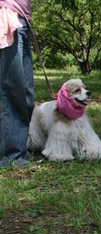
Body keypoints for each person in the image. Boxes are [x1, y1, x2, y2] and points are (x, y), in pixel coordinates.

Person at [0, 0, 34, 168]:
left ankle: (19, 149)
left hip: (23, 19)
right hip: (7, 16)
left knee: (27, 92)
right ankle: (10, 156)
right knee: (11, 91)